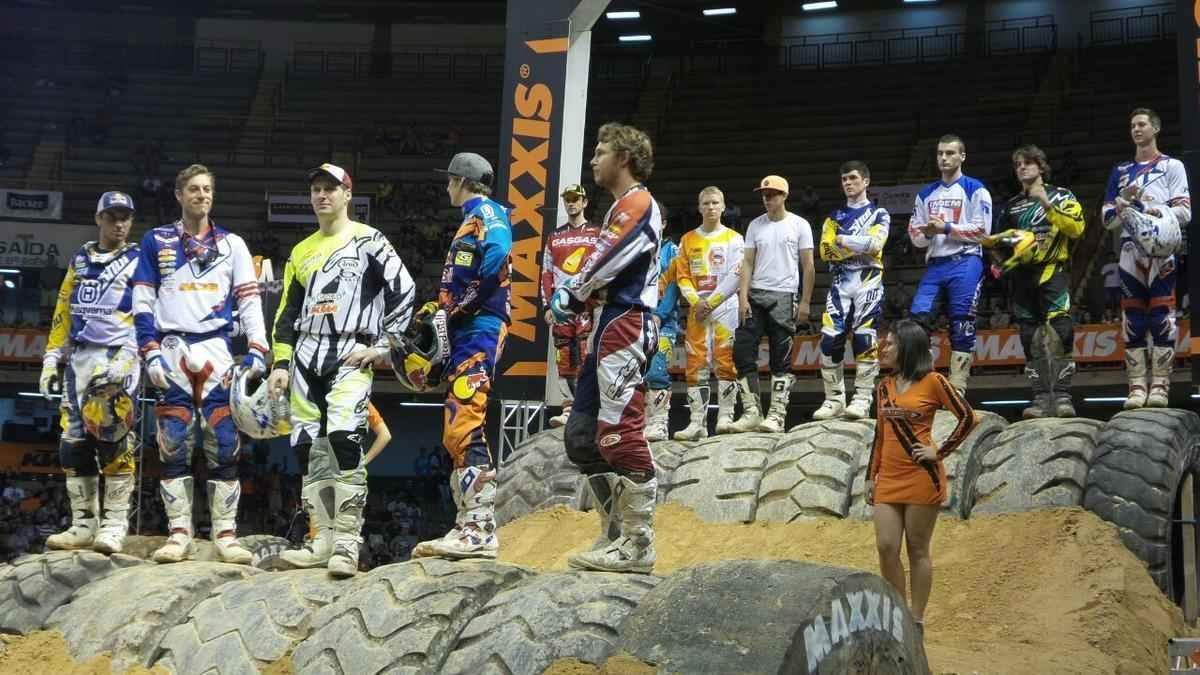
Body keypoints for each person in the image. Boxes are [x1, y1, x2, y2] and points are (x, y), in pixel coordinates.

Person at [267, 163, 414, 576]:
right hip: (306, 353)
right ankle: (322, 540)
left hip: (350, 347)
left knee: (344, 441)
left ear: (348, 193)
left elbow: (404, 289)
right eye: (315, 188)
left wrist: (384, 345)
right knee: (307, 449)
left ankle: (348, 545)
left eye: (330, 188)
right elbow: (286, 313)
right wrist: (281, 362)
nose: (322, 195)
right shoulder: (300, 252)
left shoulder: (370, 240)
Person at [132, 164, 268, 565]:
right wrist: (150, 350)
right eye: (194, 189)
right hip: (172, 349)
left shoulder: (233, 245)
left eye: (208, 189)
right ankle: (179, 533)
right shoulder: (156, 240)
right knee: (172, 441)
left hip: (217, 351)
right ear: (178, 194)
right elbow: (142, 302)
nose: (202, 195)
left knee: (225, 444)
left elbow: (249, 300)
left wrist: (258, 348)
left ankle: (225, 534)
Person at [550, 122, 662, 573]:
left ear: (625, 158)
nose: (593, 159)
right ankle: (614, 535)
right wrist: (584, 297)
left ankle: (639, 544)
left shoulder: (638, 202)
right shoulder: (620, 206)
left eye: (600, 151)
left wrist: (573, 292)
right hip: (609, 322)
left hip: (629, 322)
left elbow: (610, 257)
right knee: (581, 436)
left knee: (620, 431)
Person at [408, 151, 512, 560]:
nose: (446, 186)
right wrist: (441, 308)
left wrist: (464, 305)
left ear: (461, 181)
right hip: (468, 327)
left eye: (449, 180)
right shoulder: (470, 219)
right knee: (456, 426)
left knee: (465, 419)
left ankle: (481, 528)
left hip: (482, 325)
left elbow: (498, 257)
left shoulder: (488, 212)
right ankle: (469, 523)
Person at [40, 191, 141, 554]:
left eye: (125, 217)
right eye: (112, 216)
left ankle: (115, 524)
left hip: (117, 356)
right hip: (79, 359)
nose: (119, 223)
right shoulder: (80, 258)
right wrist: (52, 357)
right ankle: (83, 523)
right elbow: (64, 308)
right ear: (99, 218)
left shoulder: (137, 259)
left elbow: (147, 314)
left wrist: (128, 359)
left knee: (113, 438)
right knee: (73, 442)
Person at [866, 319, 977, 634]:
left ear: (908, 347)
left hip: (921, 476)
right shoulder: (883, 387)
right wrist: (870, 476)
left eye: (889, 344)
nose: (881, 349)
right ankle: (899, 611)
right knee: (887, 546)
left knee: (917, 548)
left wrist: (939, 452)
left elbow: (968, 417)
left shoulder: (934, 381)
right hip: (887, 477)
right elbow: (879, 434)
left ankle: (915, 619)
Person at [1101, 108, 1191, 409]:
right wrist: (1122, 206)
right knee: (1133, 319)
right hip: (1129, 250)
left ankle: (1161, 387)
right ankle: (1137, 387)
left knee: (1162, 317)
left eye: (1141, 124)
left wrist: (1154, 211)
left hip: (1162, 248)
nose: (1136, 129)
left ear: (1155, 128)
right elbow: (1106, 219)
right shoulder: (1120, 171)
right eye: (1132, 126)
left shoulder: (1172, 166)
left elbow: (1185, 212)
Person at [988, 145, 1085, 418]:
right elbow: (999, 242)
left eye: (1028, 163)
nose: (1022, 167)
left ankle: (1063, 397)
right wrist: (999, 262)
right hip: (1022, 277)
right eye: (1018, 164)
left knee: (1061, 331)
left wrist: (1045, 203)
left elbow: (1077, 229)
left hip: (1052, 272)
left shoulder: (1062, 195)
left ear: (1041, 166)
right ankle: (1041, 398)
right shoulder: (1011, 206)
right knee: (1028, 336)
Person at [907, 134, 993, 394]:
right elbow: (916, 237)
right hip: (935, 264)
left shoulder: (976, 189)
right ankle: (924, 382)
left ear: (962, 156)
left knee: (962, 322)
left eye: (950, 153)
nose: (944, 158)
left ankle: (958, 387)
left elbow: (983, 232)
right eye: (940, 153)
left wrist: (944, 227)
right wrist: (929, 233)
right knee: (918, 320)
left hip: (966, 260)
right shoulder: (925, 193)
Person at [729, 175, 815, 433]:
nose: (767, 198)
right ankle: (752, 412)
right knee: (742, 351)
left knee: (782, 358)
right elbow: (747, 263)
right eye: (764, 194)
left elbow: (808, 265)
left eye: (773, 194)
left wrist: (805, 302)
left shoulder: (800, 224)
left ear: (785, 195)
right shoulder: (755, 225)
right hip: (755, 294)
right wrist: (742, 297)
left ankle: (777, 414)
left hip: (785, 294)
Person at [814, 161, 890, 421]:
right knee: (828, 338)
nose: (848, 183)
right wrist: (861, 245)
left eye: (853, 178)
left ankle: (862, 398)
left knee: (864, 336)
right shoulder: (833, 217)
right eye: (844, 179)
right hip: (841, 280)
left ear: (865, 181)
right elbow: (825, 251)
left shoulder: (880, 214)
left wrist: (843, 241)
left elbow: (876, 243)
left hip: (869, 278)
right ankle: (834, 399)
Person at [672, 186, 744, 439]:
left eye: (715, 203)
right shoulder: (687, 239)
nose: (711, 207)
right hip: (697, 310)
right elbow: (681, 276)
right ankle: (697, 422)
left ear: (723, 206)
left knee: (726, 362)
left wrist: (710, 302)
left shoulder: (734, 238)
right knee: (696, 364)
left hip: (724, 307)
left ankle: (725, 418)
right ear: (699, 207)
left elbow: (737, 275)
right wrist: (695, 301)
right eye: (706, 203)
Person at [540, 184, 599, 428]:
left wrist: (599, 302)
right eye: (568, 199)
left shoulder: (597, 232)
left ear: (585, 202)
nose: (571, 203)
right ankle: (567, 407)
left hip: (587, 305)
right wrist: (546, 306)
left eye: (576, 199)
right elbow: (546, 273)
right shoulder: (554, 237)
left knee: (588, 354)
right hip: (561, 308)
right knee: (564, 356)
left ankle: (587, 407)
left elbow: (603, 268)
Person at [645, 228, 681, 442]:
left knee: (657, 370)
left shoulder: (671, 249)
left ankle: (658, 423)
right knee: (635, 373)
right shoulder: (638, 245)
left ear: (664, 223)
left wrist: (661, 313)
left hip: (663, 320)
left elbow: (675, 285)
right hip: (637, 317)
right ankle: (640, 421)